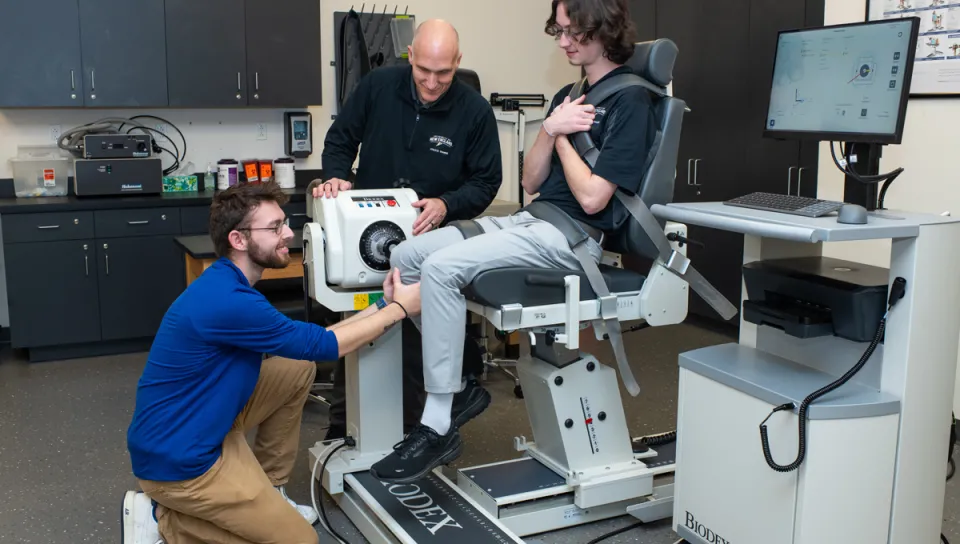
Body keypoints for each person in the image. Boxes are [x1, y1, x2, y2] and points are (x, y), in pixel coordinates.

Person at [368, 0, 655, 484]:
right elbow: (529, 179)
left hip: (569, 237)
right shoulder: (570, 92)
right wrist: (550, 126)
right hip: (530, 219)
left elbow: (591, 198)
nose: (562, 41)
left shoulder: (632, 102)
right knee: (406, 254)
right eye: (558, 31)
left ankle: (437, 421)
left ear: (601, 29)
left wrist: (560, 135)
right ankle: (459, 385)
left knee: (441, 270)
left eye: (570, 32)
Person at [120, 182, 421, 544]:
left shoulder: (228, 281)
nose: (289, 234)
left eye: (284, 223)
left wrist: (384, 306)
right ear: (239, 239)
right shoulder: (230, 301)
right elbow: (327, 344)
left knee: (295, 369)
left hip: (205, 421)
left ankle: (270, 489)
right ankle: (162, 520)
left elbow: (311, 345)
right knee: (300, 541)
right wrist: (402, 309)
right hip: (181, 462)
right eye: (275, 227)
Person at [311, 18, 502, 441]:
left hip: (428, 244)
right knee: (360, 332)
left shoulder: (475, 112)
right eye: (423, 71)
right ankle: (344, 433)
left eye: (444, 73)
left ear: (458, 64)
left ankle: (420, 439)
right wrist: (338, 177)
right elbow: (340, 139)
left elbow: (486, 182)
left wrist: (447, 203)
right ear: (410, 56)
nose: (432, 83)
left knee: (420, 347)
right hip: (366, 239)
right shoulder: (378, 87)